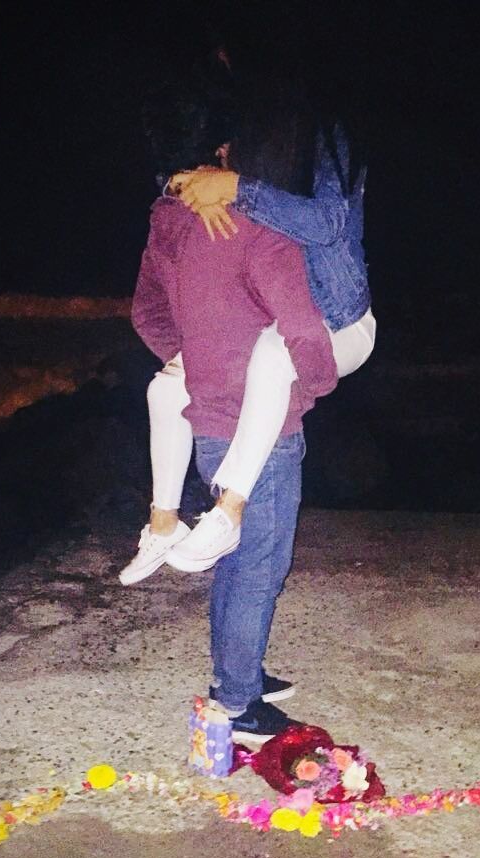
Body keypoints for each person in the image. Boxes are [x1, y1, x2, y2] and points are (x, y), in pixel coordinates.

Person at [129, 87, 337, 744]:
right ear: (222, 154)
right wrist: (319, 383)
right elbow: (302, 328)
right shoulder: (257, 228)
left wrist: (192, 363)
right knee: (259, 565)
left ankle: (237, 670)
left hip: (207, 422)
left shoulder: (166, 225)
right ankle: (240, 702)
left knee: (235, 556)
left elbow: (148, 316)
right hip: (262, 431)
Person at [119, 76, 374, 585]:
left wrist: (235, 189)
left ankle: (229, 510)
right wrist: (184, 185)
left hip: (339, 322)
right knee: (166, 384)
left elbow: (326, 224)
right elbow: (173, 168)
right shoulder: (237, 169)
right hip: (279, 329)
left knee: (276, 355)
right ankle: (163, 522)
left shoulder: (326, 140)